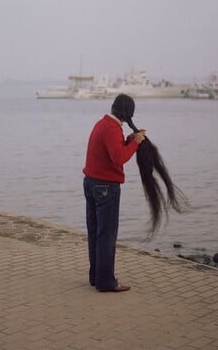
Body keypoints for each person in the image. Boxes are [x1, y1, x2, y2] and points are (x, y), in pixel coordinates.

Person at [83, 94, 146, 292]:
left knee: (95, 234)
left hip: (91, 183)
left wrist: (128, 140)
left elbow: (112, 151)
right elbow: (118, 158)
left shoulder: (101, 124)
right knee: (107, 236)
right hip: (105, 188)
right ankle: (106, 282)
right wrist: (135, 144)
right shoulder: (112, 129)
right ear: (128, 114)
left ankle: (96, 277)